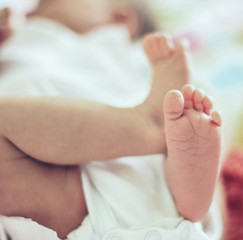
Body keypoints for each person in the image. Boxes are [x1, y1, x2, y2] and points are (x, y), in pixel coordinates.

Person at [0, 0, 224, 239]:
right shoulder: (12, 42)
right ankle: (188, 195)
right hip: (103, 208)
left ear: (121, 19)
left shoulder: (141, 55)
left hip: (89, 200)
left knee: (185, 121)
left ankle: (178, 177)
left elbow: (195, 102)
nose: (34, 9)